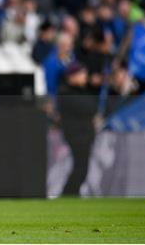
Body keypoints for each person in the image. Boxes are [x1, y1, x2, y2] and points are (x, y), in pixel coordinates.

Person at [56, 62, 97, 196]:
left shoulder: (82, 91)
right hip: (77, 135)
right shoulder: (65, 92)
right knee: (80, 168)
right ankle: (68, 193)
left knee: (81, 168)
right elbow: (89, 108)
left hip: (84, 134)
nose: (85, 77)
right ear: (72, 76)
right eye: (82, 73)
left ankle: (72, 193)